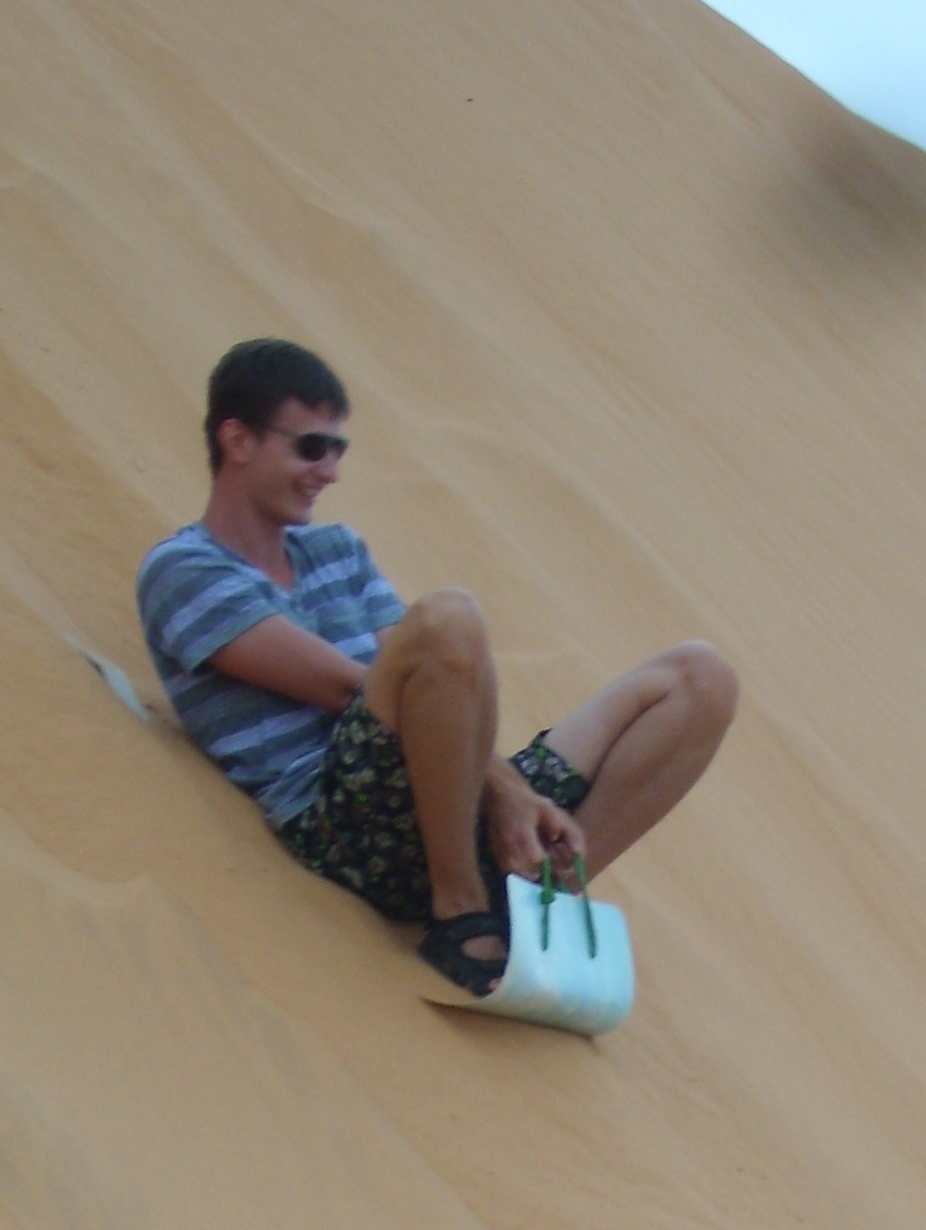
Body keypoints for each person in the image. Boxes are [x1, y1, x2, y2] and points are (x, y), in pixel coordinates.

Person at [137, 339, 737, 996]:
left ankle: (542, 898)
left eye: (338, 450)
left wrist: (508, 795)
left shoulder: (337, 550)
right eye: (311, 447)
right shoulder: (184, 572)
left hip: (441, 794)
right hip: (339, 827)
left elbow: (430, 680)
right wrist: (506, 790)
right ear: (238, 441)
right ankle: (459, 911)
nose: (329, 471)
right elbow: (345, 686)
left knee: (699, 679)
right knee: (451, 621)